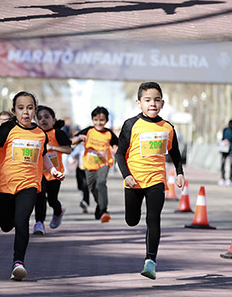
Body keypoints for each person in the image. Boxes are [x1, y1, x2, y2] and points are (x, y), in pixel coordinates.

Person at [0, 90, 63, 280]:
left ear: (35, 110)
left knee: (22, 221)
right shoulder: (7, 129)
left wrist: (52, 171)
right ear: (14, 110)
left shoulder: (40, 134)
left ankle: (18, 263)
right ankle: (3, 213)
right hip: (6, 184)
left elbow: (42, 155)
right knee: (6, 225)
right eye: (21, 108)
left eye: (30, 108)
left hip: (30, 183)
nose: (25, 112)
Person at [117, 81, 185, 281]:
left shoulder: (168, 127)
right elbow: (120, 153)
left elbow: (175, 153)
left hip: (156, 179)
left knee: (153, 219)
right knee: (132, 220)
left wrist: (179, 172)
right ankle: (133, 218)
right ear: (139, 103)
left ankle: (150, 261)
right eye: (147, 100)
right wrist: (126, 175)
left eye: (156, 100)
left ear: (162, 103)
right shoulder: (131, 124)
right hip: (133, 181)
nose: (152, 104)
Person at [72, 107, 119, 223]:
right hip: (89, 165)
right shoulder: (88, 131)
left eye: (102, 120)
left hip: (104, 164)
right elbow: (71, 141)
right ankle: (100, 205)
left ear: (106, 121)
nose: (99, 123)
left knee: (101, 182)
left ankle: (104, 211)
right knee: (93, 188)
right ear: (92, 120)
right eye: (96, 120)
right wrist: (79, 138)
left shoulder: (109, 133)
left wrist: (115, 148)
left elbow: (116, 144)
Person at [33, 105, 71, 233]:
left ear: (53, 120)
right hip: (39, 173)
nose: (43, 120)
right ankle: (39, 223)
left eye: (46, 117)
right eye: (39, 118)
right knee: (40, 196)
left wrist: (52, 148)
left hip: (55, 173)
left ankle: (58, 210)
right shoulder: (34, 134)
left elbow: (68, 150)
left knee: (52, 199)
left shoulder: (57, 133)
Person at [218, 118, 232, 185]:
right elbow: (223, 137)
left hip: (231, 149)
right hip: (224, 149)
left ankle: (230, 178)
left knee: (231, 164)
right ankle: (223, 177)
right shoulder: (225, 130)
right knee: (223, 163)